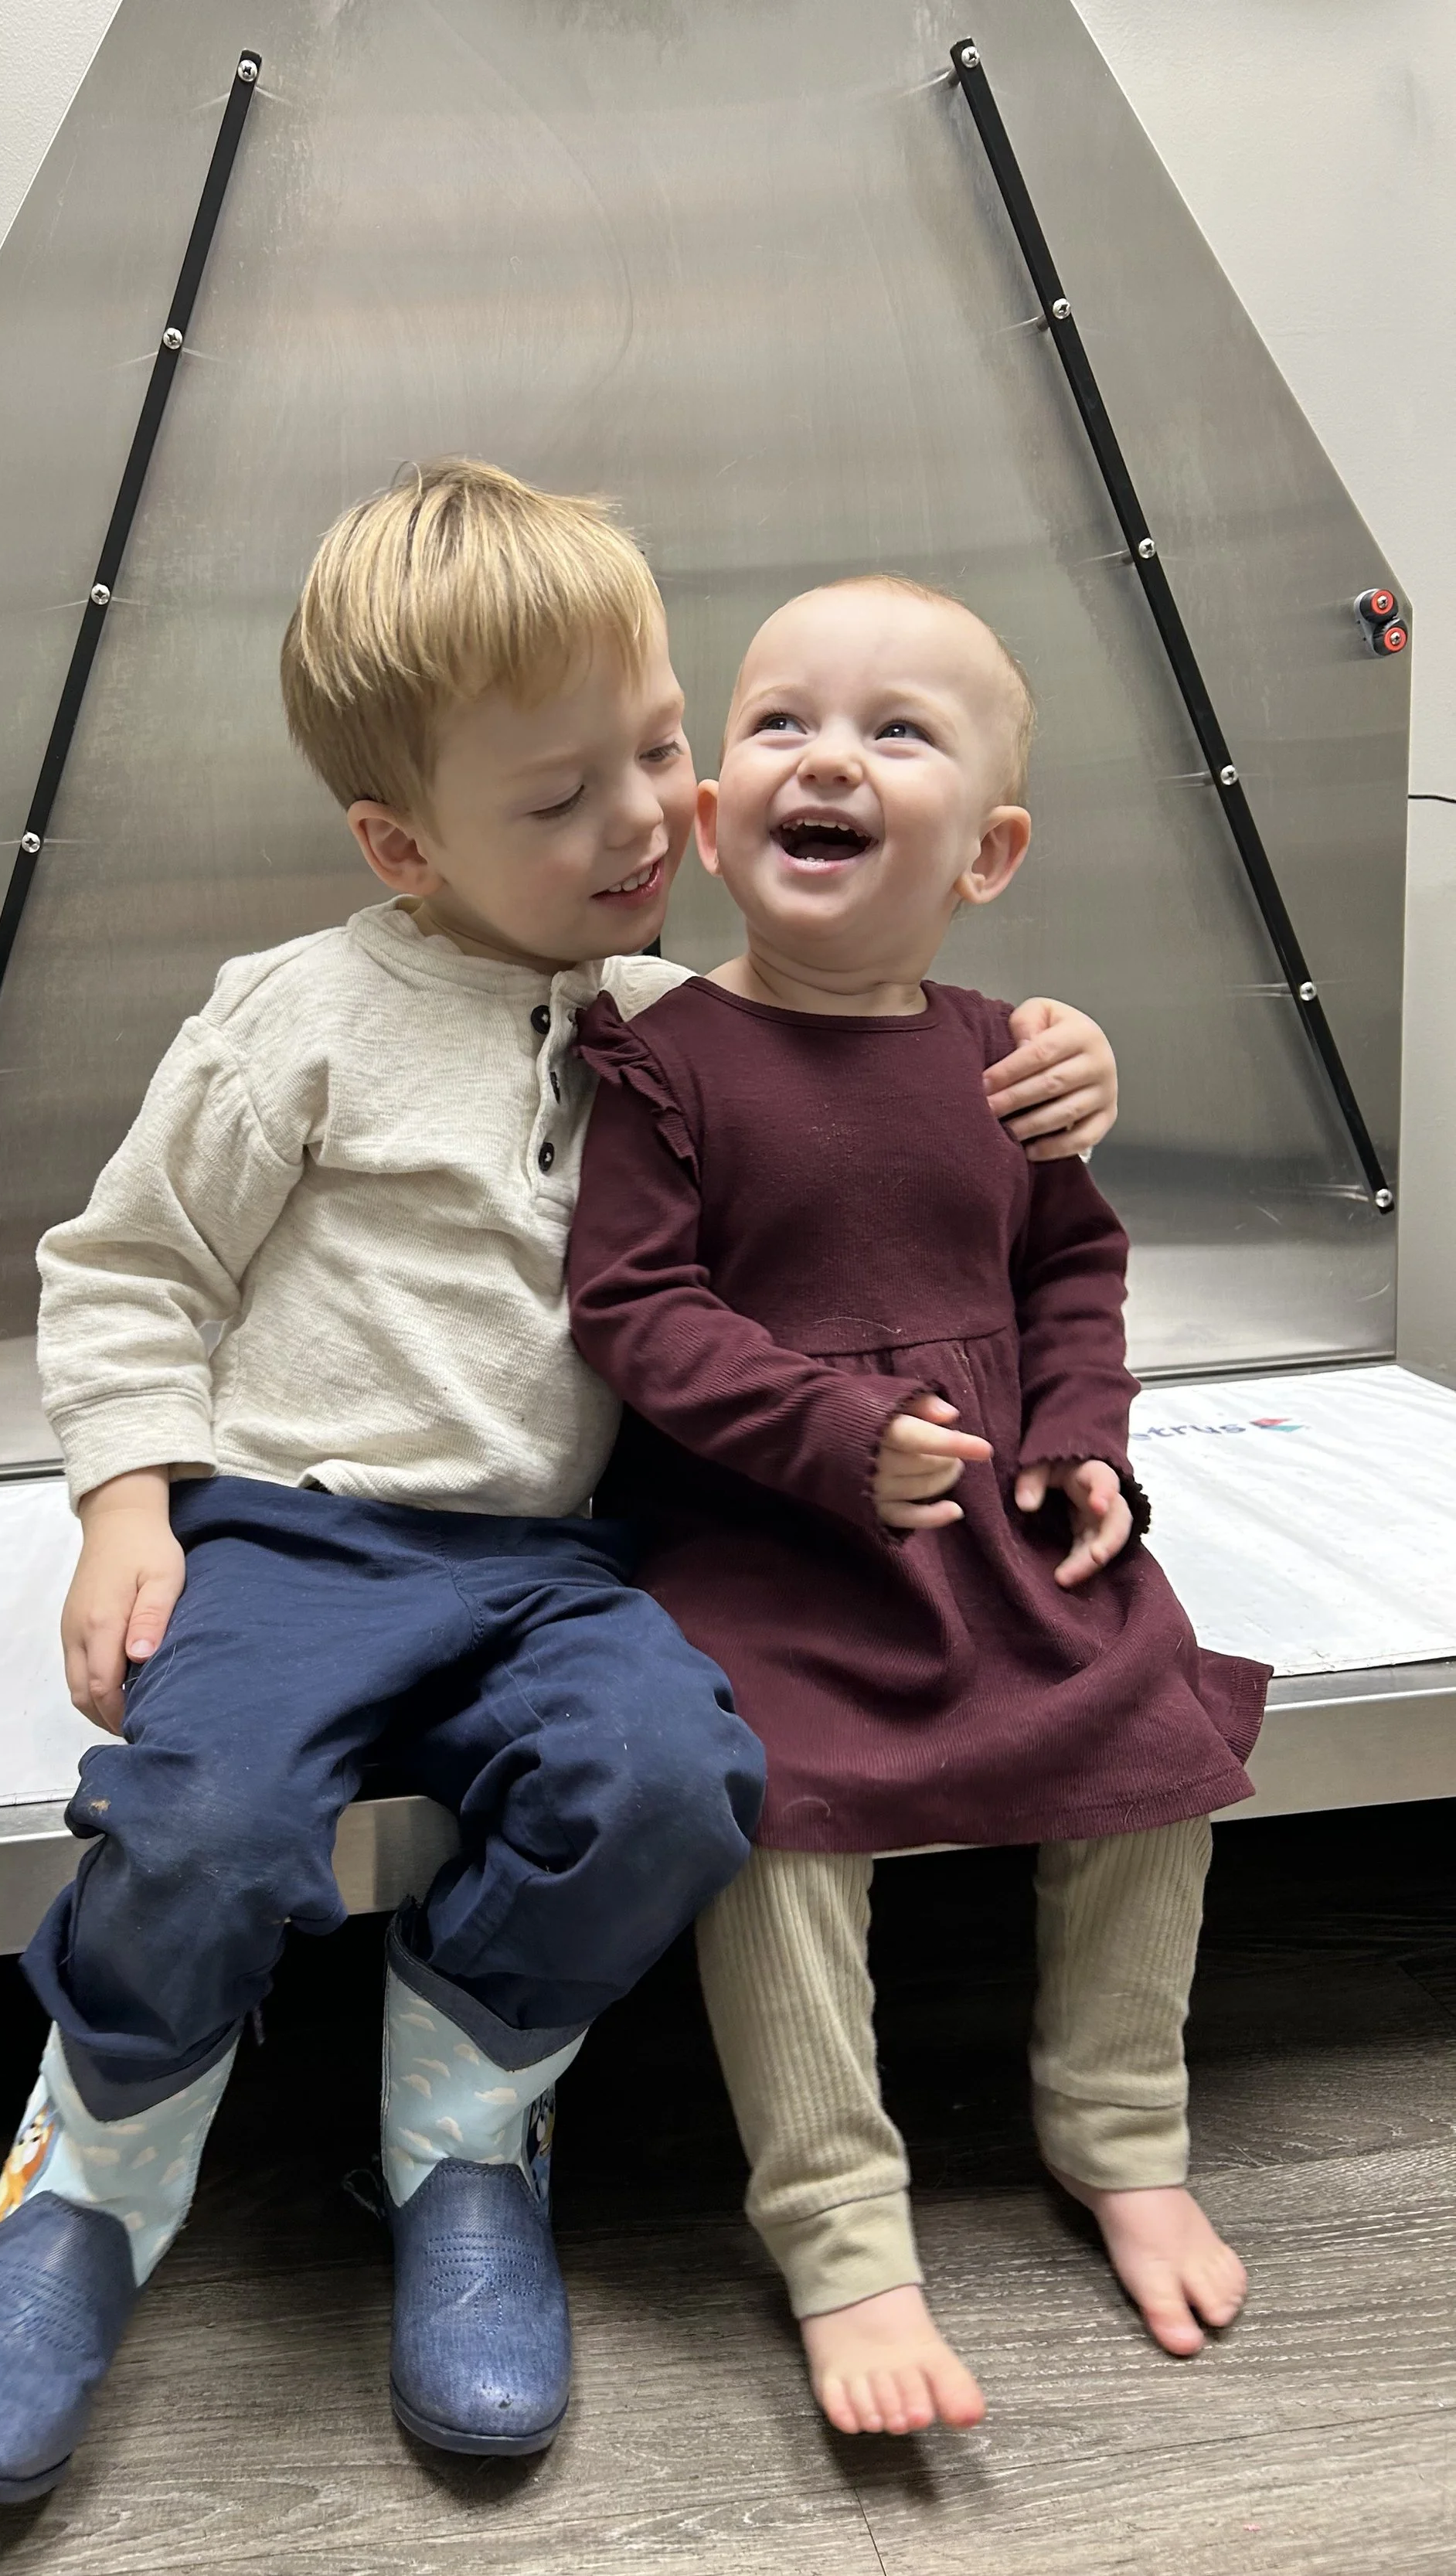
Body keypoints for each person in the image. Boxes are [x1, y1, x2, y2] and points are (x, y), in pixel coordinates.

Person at [0, 468, 1121, 2502]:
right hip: (302, 1529)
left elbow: (885, 1035)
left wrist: (1056, 1050)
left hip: (563, 1561)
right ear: (401, 840)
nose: (642, 820)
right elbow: (131, 1270)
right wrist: (127, 1500)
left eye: (656, 747)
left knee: (668, 1780)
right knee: (200, 1821)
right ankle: (91, 2173)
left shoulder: (683, 1018)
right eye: (557, 801)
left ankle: (463, 2121)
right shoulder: (297, 1017)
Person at [567, 573, 1266, 2442]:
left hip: (992, 1525)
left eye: (896, 731)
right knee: (773, 1812)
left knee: (1155, 1733)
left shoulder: (1006, 1059)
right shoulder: (659, 1060)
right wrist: (825, 1430)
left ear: (986, 850)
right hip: (767, 1538)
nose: (827, 757)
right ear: (710, 817)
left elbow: (1074, 1276)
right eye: (779, 719)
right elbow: (633, 1314)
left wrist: (1085, 1436)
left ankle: (1117, 2130)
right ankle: (840, 2233)